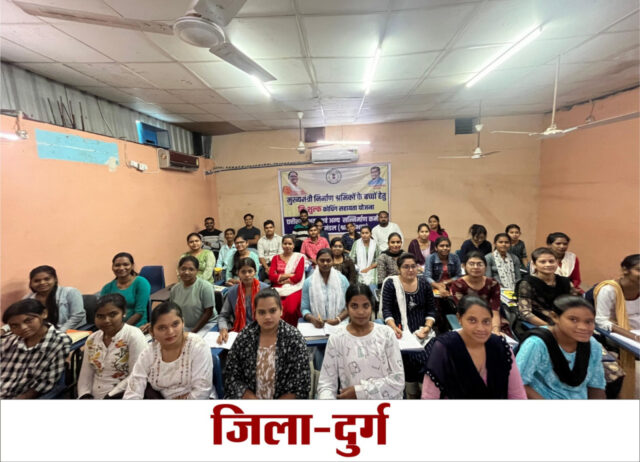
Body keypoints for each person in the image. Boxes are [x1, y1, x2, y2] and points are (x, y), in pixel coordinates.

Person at [422, 296, 527, 399]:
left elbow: (517, 394)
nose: (480, 328)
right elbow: (429, 396)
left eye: (486, 321)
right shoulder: (445, 347)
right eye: (472, 320)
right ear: (459, 318)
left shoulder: (501, 348)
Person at [317, 284, 404, 399]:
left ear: (371, 307)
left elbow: (398, 380)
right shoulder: (337, 338)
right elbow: (326, 384)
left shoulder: (386, 334)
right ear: (347, 308)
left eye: (365, 306)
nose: (361, 312)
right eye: (354, 306)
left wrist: (360, 392)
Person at [224, 289, 311, 399]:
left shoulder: (294, 338)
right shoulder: (245, 336)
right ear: (255, 314)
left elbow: (301, 385)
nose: (267, 317)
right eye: (262, 312)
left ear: (281, 310)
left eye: (272, 311)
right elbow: (231, 376)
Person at [516, 295, 606, 399]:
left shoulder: (593, 345)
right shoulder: (537, 344)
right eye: (573, 320)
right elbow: (518, 383)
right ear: (555, 317)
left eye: (589, 322)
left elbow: (596, 385)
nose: (583, 327)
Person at [124, 301, 214, 399]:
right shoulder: (148, 353)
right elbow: (133, 390)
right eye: (162, 328)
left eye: (175, 324)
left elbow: (202, 391)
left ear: (183, 323)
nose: (170, 332)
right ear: (152, 332)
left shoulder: (197, 346)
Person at [381, 253, 437, 397]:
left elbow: (431, 310)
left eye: (413, 266)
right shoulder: (391, 284)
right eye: (406, 267)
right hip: (399, 332)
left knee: (430, 358)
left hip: (423, 333)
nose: (411, 270)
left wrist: (427, 328)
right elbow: (386, 311)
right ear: (399, 269)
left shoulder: (424, 284)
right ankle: (411, 393)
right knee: (407, 358)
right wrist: (393, 328)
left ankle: (425, 393)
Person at [77, 294, 147, 399]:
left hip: (124, 394)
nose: (106, 320)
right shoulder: (92, 339)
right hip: (93, 396)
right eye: (100, 316)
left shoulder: (133, 335)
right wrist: (84, 395)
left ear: (124, 313)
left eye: (113, 314)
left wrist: (110, 396)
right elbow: (85, 375)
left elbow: (136, 375)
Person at [1, 299, 71, 399]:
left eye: (28, 321)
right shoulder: (9, 340)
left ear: (44, 314)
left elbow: (44, 383)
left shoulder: (58, 341)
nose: (23, 328)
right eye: (14, 325)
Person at [594, 254, 640, 399]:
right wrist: (634, 337)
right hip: (614, 333)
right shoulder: (609, 289)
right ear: (625, 270)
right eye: (639, 270)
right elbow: (601, 321)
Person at [516, 247, 575, 328]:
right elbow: (525, 313)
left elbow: (576, 305)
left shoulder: (566, 282)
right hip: (541, 324)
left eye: (551, 261)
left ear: (557, 262)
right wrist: (550, 328)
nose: (548, 265)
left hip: (566, 322)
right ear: (534, 264)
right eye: (543, 262)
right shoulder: (527, 283)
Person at [450, 251, 504, 335]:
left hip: (491, 319)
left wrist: (495, 330)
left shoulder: (493, 284)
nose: (475, 267)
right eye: (471, 264)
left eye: (479, 264)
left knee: (502, 337)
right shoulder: (458, 285)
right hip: (468, 319)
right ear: (464, 266)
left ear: (486, 267)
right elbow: (463, 311)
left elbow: (495, 310)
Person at [217, 258, 269, 344]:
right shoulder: (232, 292)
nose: (247, 275)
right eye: (243, 272)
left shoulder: (266, 290)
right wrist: (223, 329)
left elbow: (272, 315)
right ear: (238, 273)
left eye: (250, 271)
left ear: (255, 272)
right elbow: (223, 316)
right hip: (239, 332)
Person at [24, 265, 86, 332]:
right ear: (31, 283)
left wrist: (58, 333)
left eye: (47, 279)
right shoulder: (28, 299)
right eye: (37, 281)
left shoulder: (70, 292)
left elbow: (78, 316)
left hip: (72, 330)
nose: (42, 283)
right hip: (43, 332)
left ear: (55, 279)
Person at [100, 252, 151, 328]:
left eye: (126, 264)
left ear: (132, 266)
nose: (121, 268)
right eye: (117, 265)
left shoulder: (141, 283)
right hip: (112, 328)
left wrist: (122, 329)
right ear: (112, 267)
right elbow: (103, 312)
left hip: (137, 327)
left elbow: (139, 312)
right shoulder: (107, 288)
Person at [301, 249, 350, 326]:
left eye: (328, 260)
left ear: (333, 261)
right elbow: (304, 309)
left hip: (340, 323)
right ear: (317, 261)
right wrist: (312, 319)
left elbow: (350, 305)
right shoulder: (308, 282)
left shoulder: (342, 280)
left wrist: (337, 320)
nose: (325, 263)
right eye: (322, 260)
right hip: (317, 325)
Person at [170, 256, 217, 335]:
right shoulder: (174, 289)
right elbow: (172, 311)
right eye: (183, 269)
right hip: (185, 326)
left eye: (191, 269)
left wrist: (192, 332)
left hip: (207, 324)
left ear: (197, 271)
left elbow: (208, 312)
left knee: (194, 342)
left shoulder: (205, 287)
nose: (186, 272)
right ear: (178, 270)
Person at [269, 235, 306, 326]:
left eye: (290, 244)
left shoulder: (299, 257)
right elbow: (271, 277)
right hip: (277, 288)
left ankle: (291, 329)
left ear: (293, 245)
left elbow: (297, 277)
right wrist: (288, 275)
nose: (287, 246)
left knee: (290, 310)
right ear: (282, 245)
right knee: (275, 310)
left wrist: (280, 278)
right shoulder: (275, 258)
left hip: (295, 287)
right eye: (285, 243)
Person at [349, 225, 379, 290]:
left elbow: (379, 260)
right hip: (359, 270)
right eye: (362, 233)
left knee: (372, 288)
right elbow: (351, 259)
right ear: (360, 234)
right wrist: (357, 268)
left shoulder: (375, 244)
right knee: (360, 289)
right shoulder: (356, 243)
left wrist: (368, 268)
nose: (364, 235)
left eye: (366, 233)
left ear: (370, 234)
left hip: (372, 269)